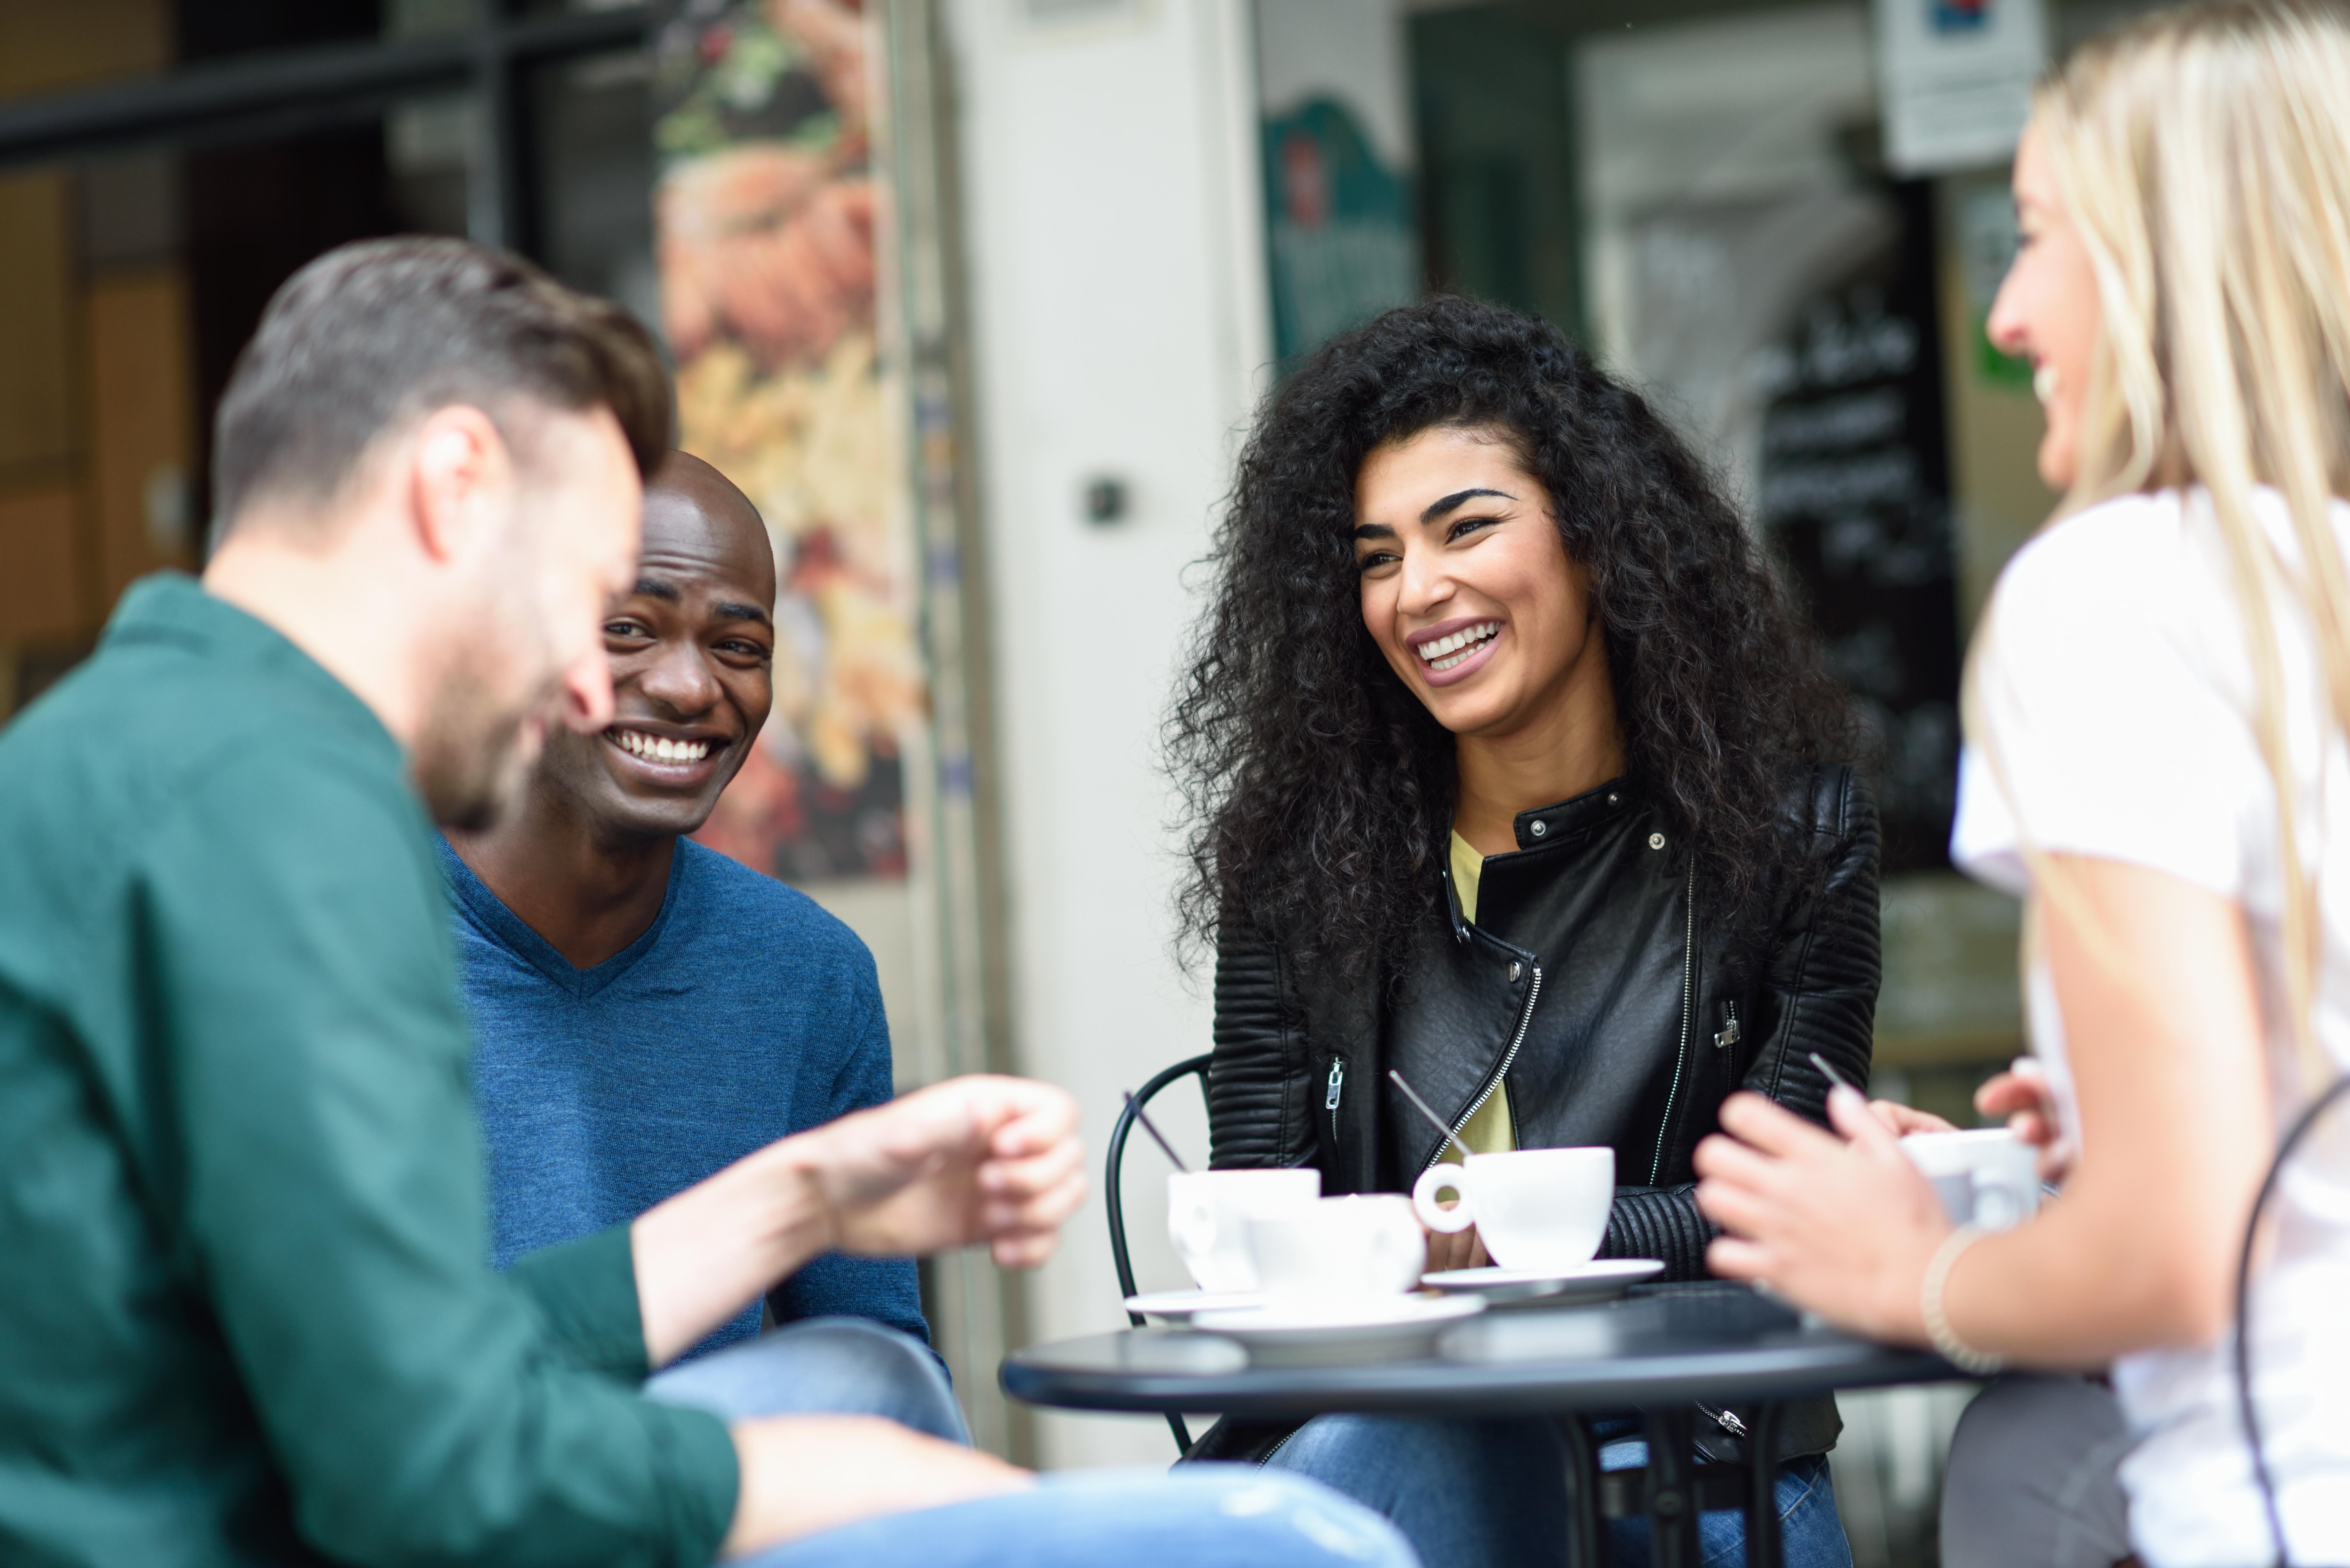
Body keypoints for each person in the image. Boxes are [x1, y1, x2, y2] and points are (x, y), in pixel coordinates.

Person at [0, 235, 1420, 1568]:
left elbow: (401, 1358)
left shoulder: (121, 751)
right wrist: (849, 1483)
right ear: (449, 487)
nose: (582, 682)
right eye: (586, 596)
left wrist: (798, 1198)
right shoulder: (284, 808)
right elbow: (428, 1466)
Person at [1691, 5, 2350, 1564]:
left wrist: (1905, 1268)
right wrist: (2169, 1104)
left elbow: (2178, 1250)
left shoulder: (2122, 589)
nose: (2002, 316)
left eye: (2041, 236)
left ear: (2175, 268)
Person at [1166, 294, 1875, 1567]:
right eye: (1375, 556)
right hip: (1397, 1442)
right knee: (1339, 1479)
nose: (1416, 591)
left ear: (1598, 539)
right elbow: (1257, 1230)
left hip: (1690, 1457)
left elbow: (1802, 1208)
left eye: (1465, 528)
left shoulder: (1789, 835)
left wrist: (1505, 1230)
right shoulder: (1298, 868)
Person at [443, 450, 927, 1365]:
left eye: (738, 647)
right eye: (628, 627)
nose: (690, 687)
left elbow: (872, 1369)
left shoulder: (807, 977)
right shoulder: (331, 941)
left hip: (705, 1502)